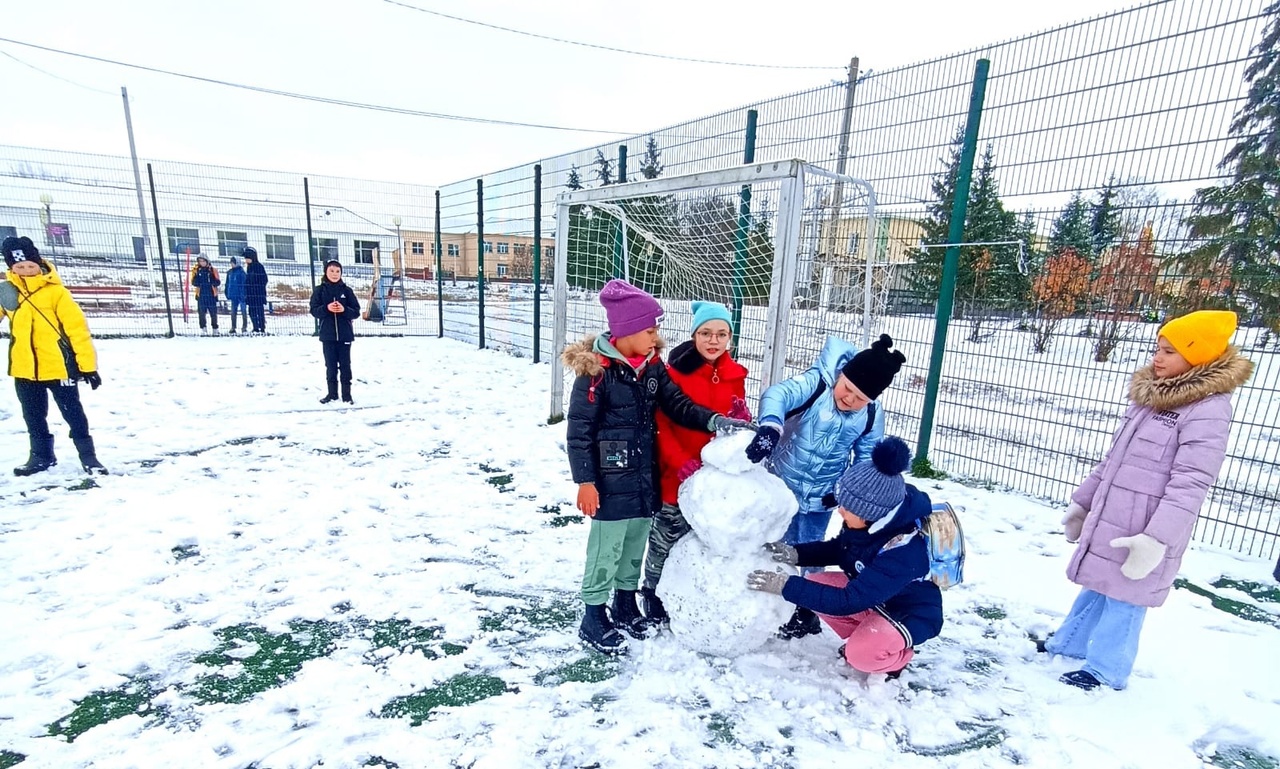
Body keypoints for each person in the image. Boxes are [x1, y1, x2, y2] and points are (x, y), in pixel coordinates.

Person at [1045, 310, 1253, 691]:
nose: (1158, 358)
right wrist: (1083, 503)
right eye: (1158, 348)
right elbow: (1112, 461)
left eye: (1170, 352)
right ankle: (1068, 643)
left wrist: (1156, 539)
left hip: (1146, 527)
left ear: (1198, 357)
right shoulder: (1152, 396)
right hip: (1113, 516)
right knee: (1098, 584)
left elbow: (1191, 483)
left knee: (1126, 599)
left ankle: (1106, 669)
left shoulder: (1207, 410)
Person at [563, 280, 751, 655]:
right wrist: (585, 481)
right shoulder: (596, 373)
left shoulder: (652, 367)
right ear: (627, 331)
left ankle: (625, 603)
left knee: (635, 544)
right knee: (606, 549)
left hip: (643, 475)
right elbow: (579, 431)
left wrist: (715, 421)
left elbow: (678, 404)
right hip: (609, 480)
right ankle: (593, 614)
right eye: (650, 330)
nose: (656, 337)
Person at [747, 436, 942, 678]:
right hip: (876, 598)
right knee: (816, 584)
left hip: (909, 612)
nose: (840, 511)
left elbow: (847, 601)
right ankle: (865, 639)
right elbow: (842, 549)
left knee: (859, 654)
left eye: (848, 508)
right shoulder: (870, 525)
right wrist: (796, 554)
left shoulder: (903, 552)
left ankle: (893, 658)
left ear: (870, 513)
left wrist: (785, 586)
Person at [644, 300, 751, 627]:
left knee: (702, 539)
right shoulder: (674, 374)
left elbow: (734, 420)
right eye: (705, 333)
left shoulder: (735, 375)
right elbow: (660, 424)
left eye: (721, 334)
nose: (713, 340)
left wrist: (742, 418)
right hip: (678, 474)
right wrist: (679, 461)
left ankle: (688, 592)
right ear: (694, 336)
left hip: (714, 478)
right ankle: (652, 591)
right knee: (666, 535)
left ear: (730, 338)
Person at [1, 236, 107, 476]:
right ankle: (41, 456)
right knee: (33, 416)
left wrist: (88, 367)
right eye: (19, 267)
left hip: (59, 367)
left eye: (30, 265)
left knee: (73, 414)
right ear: (11, 268)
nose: (26, 270)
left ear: (38, 263)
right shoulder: (7, 292)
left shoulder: (57, 293)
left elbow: (77, 331)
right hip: (24, 369)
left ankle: (89, 457)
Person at [309, 259, 361, 404]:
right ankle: (332, 394)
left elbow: (356, 311)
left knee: (345, 366)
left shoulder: (347, 291)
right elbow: (314, 310)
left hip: (345, 336)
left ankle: (347, 396)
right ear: (326, 272)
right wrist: (326, 308)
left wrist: (344, 310)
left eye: (338, 271)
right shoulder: (319, 290)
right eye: (331, 271)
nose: (334, 274)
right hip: (328, 336)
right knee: (330, 367)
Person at [188, 255, 221, 335]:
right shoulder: (196, 270)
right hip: (201, 295)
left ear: (207, 261)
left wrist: (213, 281)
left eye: (203, 261)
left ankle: (215, 328)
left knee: (213, 313)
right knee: (202, 313)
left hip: (211, 295)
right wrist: (197, 281)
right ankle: (203, 328)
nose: (202, 263)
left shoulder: (212, 270)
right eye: (200, 261)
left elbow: (218, 282)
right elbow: (193, 282)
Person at [242, 246, 268, 334]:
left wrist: (257, 286)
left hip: (258, 294)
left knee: (259, 311)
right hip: (250, 294)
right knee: (251, 311)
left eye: (247, 258)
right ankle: (255, 327)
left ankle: (262, 327)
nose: (246, 260)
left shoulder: (259, 267)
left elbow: (264, 280)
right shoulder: (249, 267)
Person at [225, 256, 247, 333]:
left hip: (241, 296)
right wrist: (227, 292)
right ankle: (233, 327)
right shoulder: (229, 273)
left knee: (243, 311)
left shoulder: (241, 273)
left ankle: (244, 327)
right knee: (233, 312)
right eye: (231, 263)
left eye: (233, 263)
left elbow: (244, 285)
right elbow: (227, 284)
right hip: (233, 295)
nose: (232, 264)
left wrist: (243, 294)